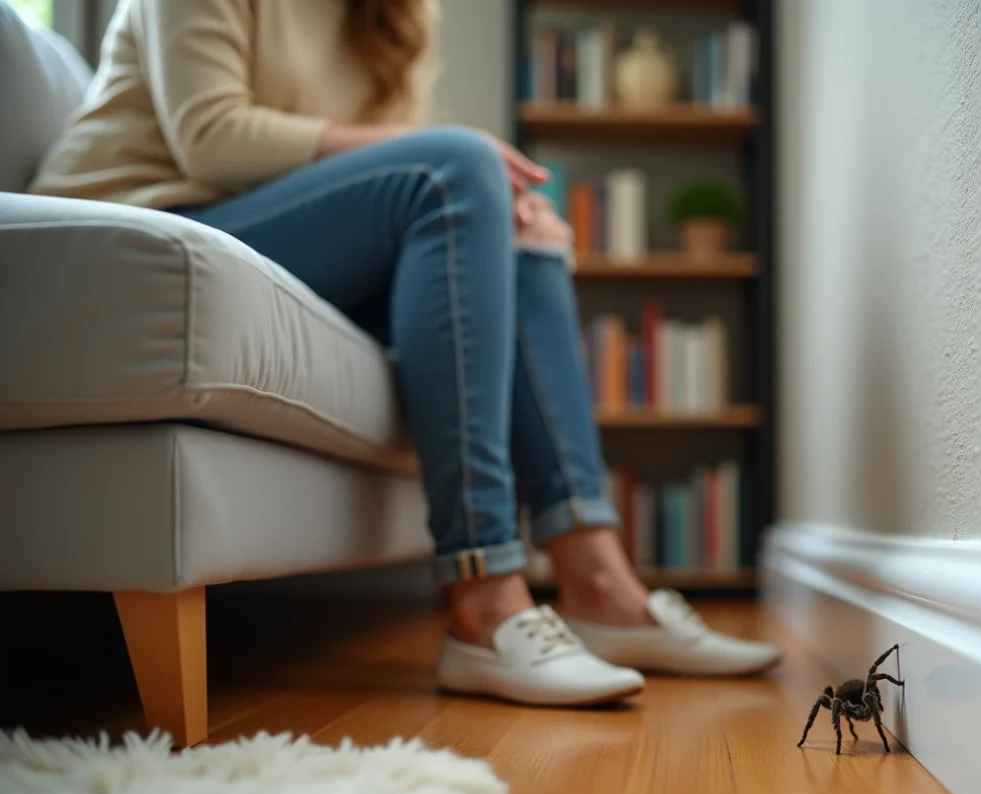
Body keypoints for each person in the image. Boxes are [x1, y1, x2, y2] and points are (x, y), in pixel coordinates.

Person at [29, 0, 781, 707]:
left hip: (280, 231)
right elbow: (210, 135)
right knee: (458, 167)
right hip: (147, 213)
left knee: (520, 232)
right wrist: (471, 166)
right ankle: (485, 594)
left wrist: (504, 211)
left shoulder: (392, 13)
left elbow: (390, 184)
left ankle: (599, 580)